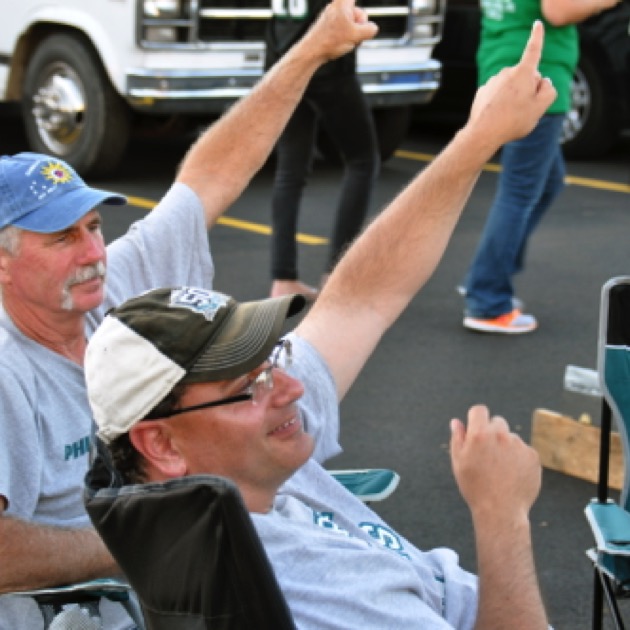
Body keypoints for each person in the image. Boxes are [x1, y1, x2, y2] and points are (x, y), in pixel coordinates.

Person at [85, 22, 555, 629]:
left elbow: (361, 298)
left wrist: (478, 137)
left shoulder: (229, 473)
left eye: (270, 363)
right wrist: (502, 517)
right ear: (162, 445)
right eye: (248, 385)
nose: (290, 388)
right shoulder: (307, 585)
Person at [0, 2, 378, 627]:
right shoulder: (9, 374)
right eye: (62, 238)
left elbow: (213, 172)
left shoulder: (111, 282)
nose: (93, 253)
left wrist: (312, 50)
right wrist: (149, 543)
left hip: (202, 566)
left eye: (94, 226)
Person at [460, 0, 620, 334]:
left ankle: (489, 273)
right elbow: (558, 11)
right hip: (537, 79)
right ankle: (487, 298)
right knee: (519, 191)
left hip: (506, 67)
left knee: (548, 183)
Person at [265, 0, 380, 301]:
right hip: (327, 65)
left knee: (290, 170)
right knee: (363, 161)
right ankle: (335, 274)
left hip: (282, 58)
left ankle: (283, 277)